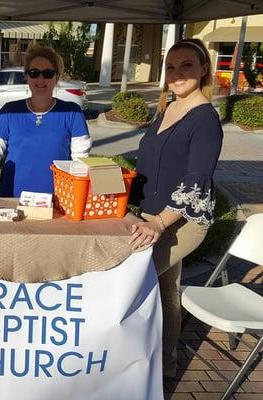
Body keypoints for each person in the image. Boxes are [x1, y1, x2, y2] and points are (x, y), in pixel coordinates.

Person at [129, 38, 223, 378]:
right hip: (150, 212)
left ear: (203, 70)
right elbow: (153, 163)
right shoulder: (167, 108)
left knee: (135, 281)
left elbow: (196, 180)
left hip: (180, 221)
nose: (177, 73)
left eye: (186, 66)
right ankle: (167, 362)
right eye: (170, 66)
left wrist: (158, 224)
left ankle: (141, 360)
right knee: (168, 291)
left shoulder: (205, 119)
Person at [0, 45, 91, 198]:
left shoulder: (72, 113)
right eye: (34, 73)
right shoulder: (8, 112)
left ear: (57, 77)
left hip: (57, 202)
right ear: (27, 76)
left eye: (48, 73)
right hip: (10, 200)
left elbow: (81, 161)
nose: (40, 79)